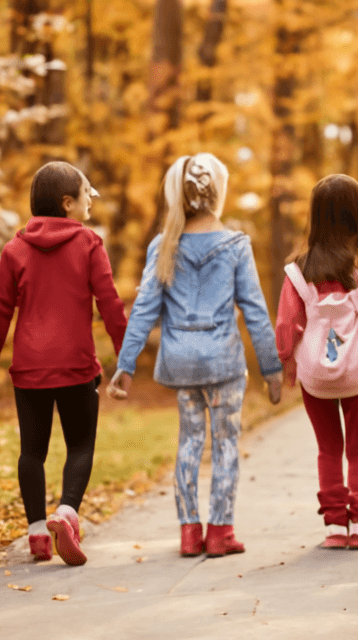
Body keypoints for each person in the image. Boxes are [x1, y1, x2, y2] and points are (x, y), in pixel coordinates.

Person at [107, 153, 282, 558]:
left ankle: (189, 531)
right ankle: (220, 531)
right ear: (219, 193)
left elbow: (145, 309)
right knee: (224, 444)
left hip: (181, 362)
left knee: (189, 442)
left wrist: (126, 366)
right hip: (222, 363)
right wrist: (272, 369)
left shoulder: (164, 245)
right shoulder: (236, 245)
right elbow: (254, 309)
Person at [0, 161, 127, 566]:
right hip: (76, 365)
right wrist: (125, 357)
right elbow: (109, 303)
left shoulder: (14, 250)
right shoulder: (90, 244)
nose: (91, 199)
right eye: (85, 192)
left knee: (32, 452)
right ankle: (67, 512)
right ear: (67, 203)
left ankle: (37, 534)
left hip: (29, 369)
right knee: (80, 445)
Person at [275, 174, 358, 551]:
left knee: (328, 449)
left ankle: (333, 527)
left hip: (315, 374)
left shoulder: (299, 268)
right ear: (356, 214)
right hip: (357, 371)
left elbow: (285, 324)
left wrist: (289, 365)